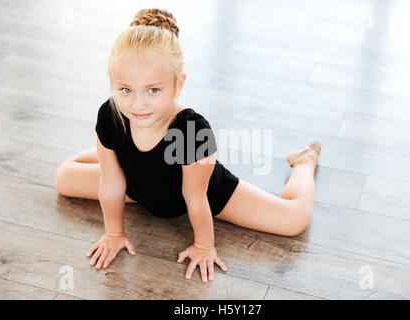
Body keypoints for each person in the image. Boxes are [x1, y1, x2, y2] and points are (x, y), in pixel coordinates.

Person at [54, 8, 321, 283]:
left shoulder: (192, 131)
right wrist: (113, 233)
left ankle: (304, 161)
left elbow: (195, 196)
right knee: (64, 178)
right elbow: (111, 184)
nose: (138, 103)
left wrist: (205, 245)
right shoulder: (111, 115)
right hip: (137, 186)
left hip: (205, 193)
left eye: (153, 90)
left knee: (294, 220)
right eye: (125, 90)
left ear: (178, 84)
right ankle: (114, 154)